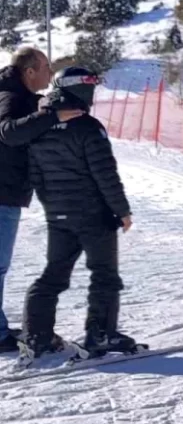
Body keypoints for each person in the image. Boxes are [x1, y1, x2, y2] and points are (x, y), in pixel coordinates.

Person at [22, 67, 135, 358]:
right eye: (88, 86)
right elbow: (105, 174)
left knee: (53, 275)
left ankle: (37, 336)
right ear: (76, 89)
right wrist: (121, 210)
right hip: (93, 215)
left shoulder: (41, 126)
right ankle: (101, 334)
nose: (92, 91)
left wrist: (55, 208)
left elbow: (36, 177)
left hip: (59, 216)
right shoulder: (88, 126)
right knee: (105, 274)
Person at [0, 47, 83, 352]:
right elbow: (8, 132)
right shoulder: (10, 96)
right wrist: (50, 115)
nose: (50, 73)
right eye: (46, 67)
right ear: (29, 71)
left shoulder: (17, 95)